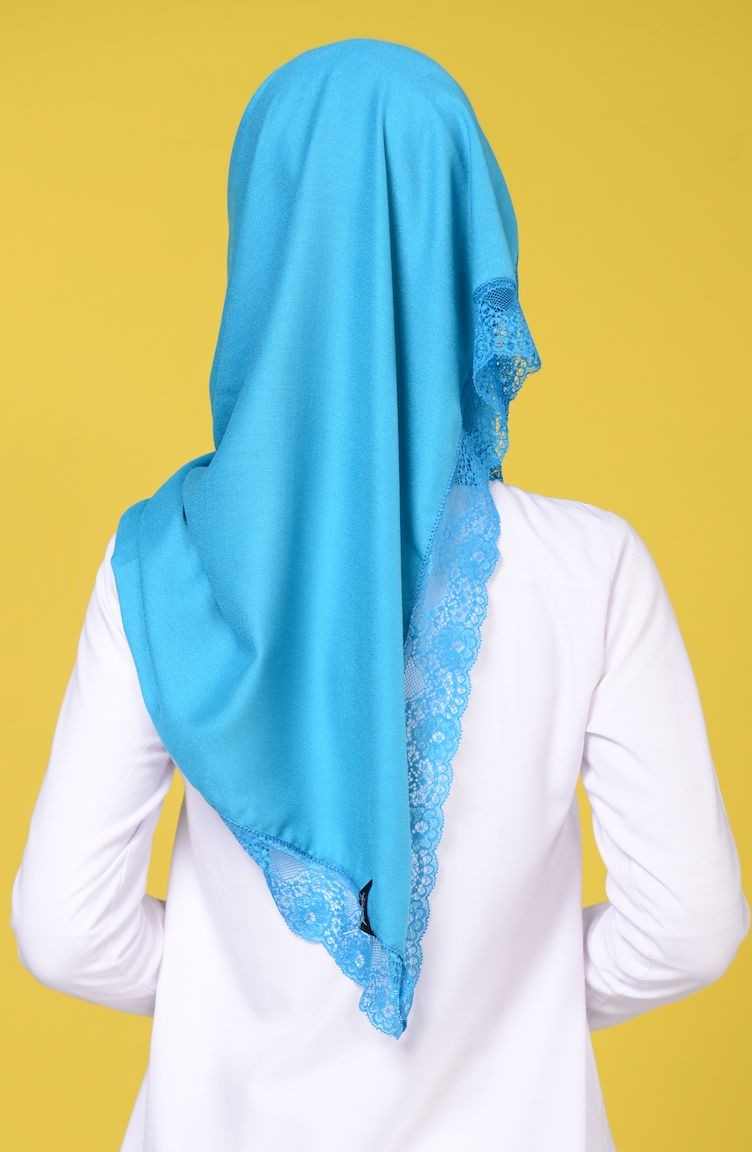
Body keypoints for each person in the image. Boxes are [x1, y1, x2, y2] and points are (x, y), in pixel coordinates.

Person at [9, 36, 750, 1152]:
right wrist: (518, 1007)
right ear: (470, 238)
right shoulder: (594, 569)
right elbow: (689, 928)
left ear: (264, 242)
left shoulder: (161, 564)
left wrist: (229, 1003)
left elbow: (63, 931)